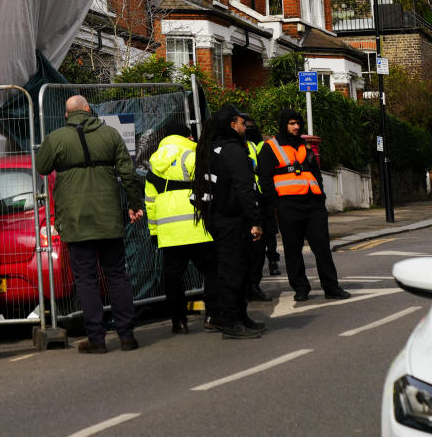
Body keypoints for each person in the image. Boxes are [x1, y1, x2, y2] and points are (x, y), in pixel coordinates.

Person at [35, 94, 144, 354]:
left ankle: (97, 339)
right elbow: (127, 172)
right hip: (108, 217)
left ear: (66, 115)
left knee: (86, 279)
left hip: (75, 219)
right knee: (117, 275)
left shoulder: (57, 137)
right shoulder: (110, 135)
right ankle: (127, 336)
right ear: (88, 109)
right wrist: (134, 203)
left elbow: (42, 166)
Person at [255, 107, 350, 304]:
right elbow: (264, 179)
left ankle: (331, 286)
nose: (296, 127)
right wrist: (276, 204)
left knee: (322, 246)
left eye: (298, 123)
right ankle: (300, 288)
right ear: (284, 125)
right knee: (292, 249)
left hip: (313, 204)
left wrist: (321, 196)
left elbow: (315, 173)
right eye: (292, 124)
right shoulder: (270, 147)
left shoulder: (304, 146)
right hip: (287, 205)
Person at [194, 103, 266, 340]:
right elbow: (244, 188)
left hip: (220, 217)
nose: (246, 126)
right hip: (232, 219)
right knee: (233, 272)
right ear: (232, 124)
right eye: (242, 122)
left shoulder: (213, 148)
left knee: (238, 270)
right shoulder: (233, 150)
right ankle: (231, 322)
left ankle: (240, 317)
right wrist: (255, 221)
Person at [145, 122, 218, 335]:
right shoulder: (194, 154)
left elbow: (150, 201)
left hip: (169, 230)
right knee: (213, 269)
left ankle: (179, 322)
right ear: (188, 136)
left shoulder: (154, 161)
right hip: (196, 224)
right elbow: (210, 185)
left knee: (173, 277)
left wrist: (154, 231)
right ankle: (213, 314)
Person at [244, 121, 277, 301]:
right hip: (244, 200)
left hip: (261, 199)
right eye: (245, 125)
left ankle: (254, 284)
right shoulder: (238, 147)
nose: (248, 129)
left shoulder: (258, 146)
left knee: (264, 239)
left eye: (250, 126)